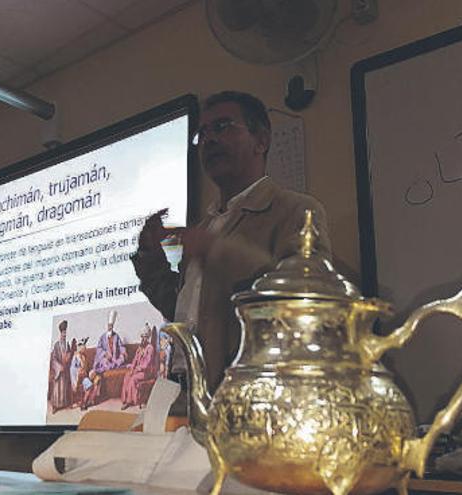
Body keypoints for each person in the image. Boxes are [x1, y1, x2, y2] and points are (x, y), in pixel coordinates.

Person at [131, 91, 332, 391]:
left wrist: (215, 250)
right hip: (186, 392)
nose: (209, 139)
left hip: (249, 395)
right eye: (202, 133)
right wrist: (152, 263)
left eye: (223, 126)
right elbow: (186, 313)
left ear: (261, 141)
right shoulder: (206, 226)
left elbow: (302, 302)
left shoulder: (296, 211)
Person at [120, 329, 156, 409]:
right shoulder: (140, 348)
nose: (143, 339)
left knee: (133, 378)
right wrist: (132, 369)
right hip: (137, 370)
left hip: (146, 372)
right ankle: (124, 400)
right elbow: (135, 360)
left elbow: (146, 364)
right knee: (127, 375)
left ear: (148, 338)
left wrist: (137, 369)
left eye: (145, 337)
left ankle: (130, 401)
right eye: (142, 337)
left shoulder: (150, 348)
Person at [48, 320, 73, 413]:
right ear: (60, 333)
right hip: (59, 370)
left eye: (65, 332)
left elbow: (69, 354)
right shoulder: (56, 345)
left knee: (64, 387)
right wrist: (59, 367)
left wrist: (68, 356)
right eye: (63, 333)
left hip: (66, 368)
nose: (64, 334)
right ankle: (55, 406)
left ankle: (64, 404)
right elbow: (53, 358)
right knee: (58, 387)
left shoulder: (67, 344)